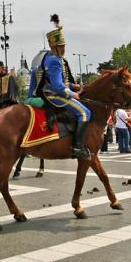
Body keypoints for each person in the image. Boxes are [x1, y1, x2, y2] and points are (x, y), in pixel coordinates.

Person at [28, 14, 91, 158]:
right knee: (85, 113)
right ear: (54, 46)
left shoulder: (53, 58)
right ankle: (78, 148)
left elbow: (60, 82)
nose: (63, 49)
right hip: (54, 96)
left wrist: (73, 86)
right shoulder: (54, 61)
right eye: (61, 46)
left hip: (53, 92)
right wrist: (71, 94)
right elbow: (57, 86)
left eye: (63, 46)